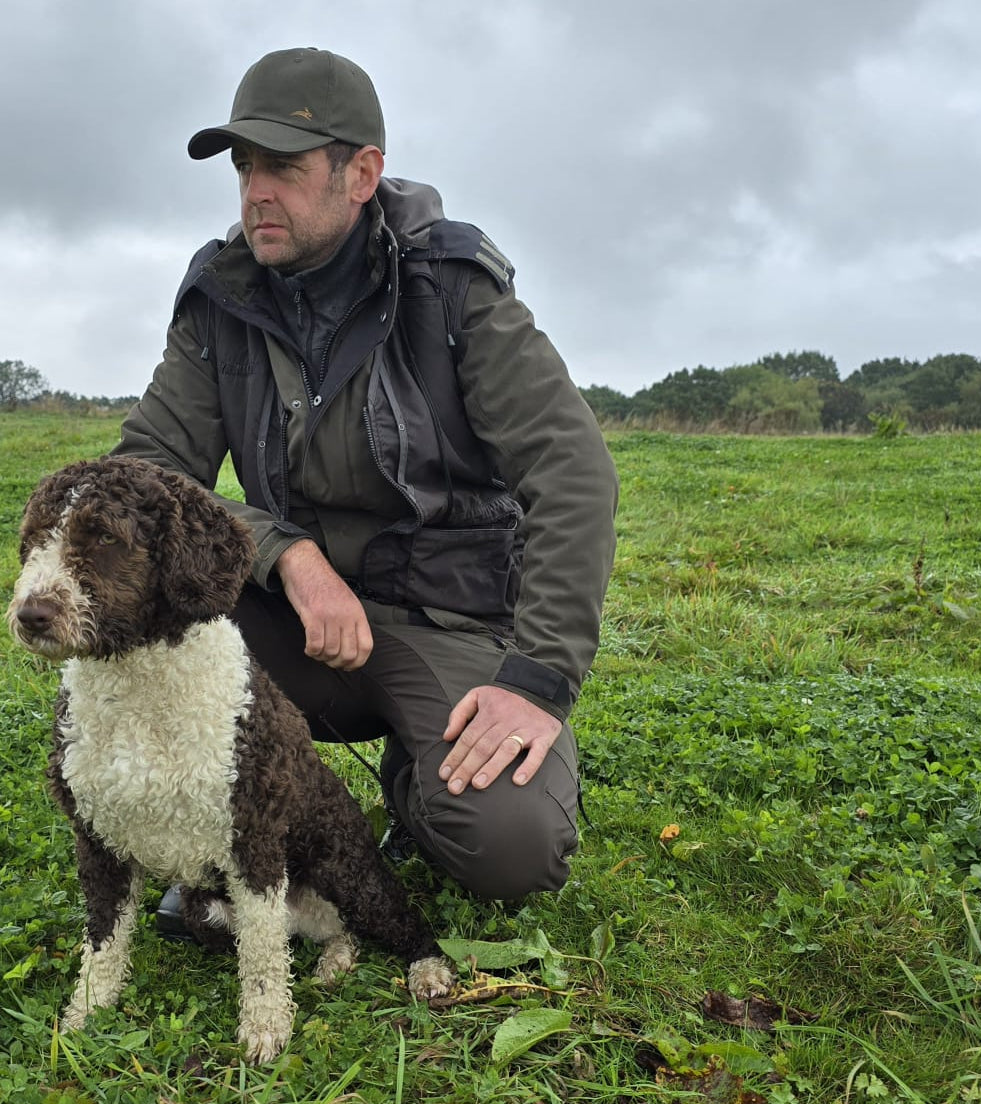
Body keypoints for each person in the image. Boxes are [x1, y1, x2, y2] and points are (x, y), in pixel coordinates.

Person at [112, 47, 618, 908]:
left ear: (361, 173)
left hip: (444, 620)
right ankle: (219, 838)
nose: (254, 191)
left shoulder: (454, 290)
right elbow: (141, 479)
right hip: (287, 620)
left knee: (508, 850)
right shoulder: (220, 297)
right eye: (243, 167)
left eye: (282, 166)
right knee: (132, 594)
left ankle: (413, 781)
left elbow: (573, 476)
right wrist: (288, 555)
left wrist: (535, 682)